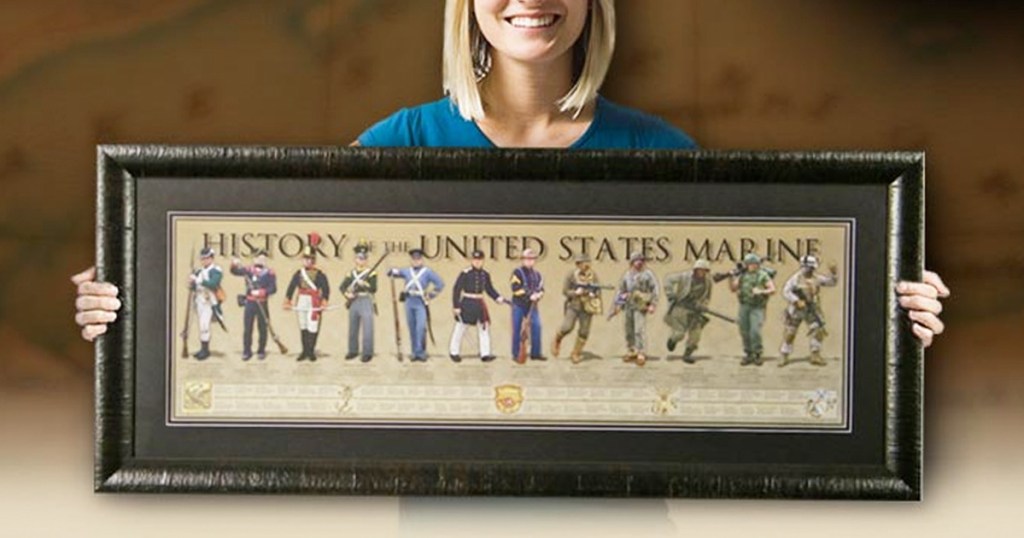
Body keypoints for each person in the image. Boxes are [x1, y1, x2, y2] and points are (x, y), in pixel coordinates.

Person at [73, 0, 949, 350]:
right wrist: (131, 297)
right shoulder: (393, 145)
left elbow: (735, 306)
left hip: (620, 497)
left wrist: (887, 307)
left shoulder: (662, 154)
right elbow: (323, 285)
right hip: (445, 500)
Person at [779, 255, 838, 367]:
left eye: (810, 268)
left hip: (812, 309)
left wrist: (833, 273)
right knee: (790, 332)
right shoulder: (795, 279)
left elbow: (831, 282)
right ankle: (784, 354)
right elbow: (786, 291)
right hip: (797, 309)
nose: (808, 270)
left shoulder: (816, 278)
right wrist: (796, 300)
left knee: (817, 330)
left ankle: (815, 354)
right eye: (806, 267)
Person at [387, 249, 445, 362]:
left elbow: (440, 284)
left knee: (420, 327)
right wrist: (390, 270)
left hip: (420, 301)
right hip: (409, 301)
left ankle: (421, 352)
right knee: (412, 327)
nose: (416, 261)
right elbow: (393, 272)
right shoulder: (407, 271)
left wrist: (431, 295)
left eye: (418, 259)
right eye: (414, 259)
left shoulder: (427, 272)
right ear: (411, 260)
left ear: (421, 260)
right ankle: (414, 352)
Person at [450, 250, 507, 362]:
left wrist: (497, 297)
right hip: (467, 303)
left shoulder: (485, 274)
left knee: (484, 328)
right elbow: (456, 289)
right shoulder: (465, 273)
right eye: (475, 260)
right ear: (472, 260)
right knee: (460, 328)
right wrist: (456, 306)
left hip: (480, 304)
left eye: (479, 260)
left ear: (483, 261)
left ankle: (485, 354)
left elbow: (489, 289)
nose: (477, 262)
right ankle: (454, 352)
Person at [552, 253, 607, 363]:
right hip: (574, 305)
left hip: (587, 307)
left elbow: (597, 289)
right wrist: (576, 292)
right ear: (578, 264)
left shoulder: (593, 275)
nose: (586, 265)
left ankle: (576, 352)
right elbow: (565, 291)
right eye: (583, 263)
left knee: (584, 331)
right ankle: (557, 340)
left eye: (588, 262)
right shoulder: (571, 275)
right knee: (567, 327)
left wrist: (593, 294)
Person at [284, 235, 331, 362]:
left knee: (313, 326)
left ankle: (311, 351)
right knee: (303, 325)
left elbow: (325, 288)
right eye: (306, 259)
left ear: (314, 260)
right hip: (302, 300)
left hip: (314, 300)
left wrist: (325, 300)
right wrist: (287, 300)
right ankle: (304, 350)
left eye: (310, 259)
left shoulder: (320, 274)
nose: (308, 261)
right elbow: (291, 287)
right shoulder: (299, 273)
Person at [663, 258, 715, 364]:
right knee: (679, 334)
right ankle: (672, 340)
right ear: (695, 269)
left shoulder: (708, 281)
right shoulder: (685, 276)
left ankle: (688, 354)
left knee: (696, 334)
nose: (702, 272)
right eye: (700, 270)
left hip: (695, 311)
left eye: (704, 270)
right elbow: (668, 279)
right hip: (680, 308)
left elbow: (707, 297)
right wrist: (670, 293)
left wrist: (703, 305)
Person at [729, 253, 776, 366]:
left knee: (755, 331)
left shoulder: (762, 275)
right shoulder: (742, 275)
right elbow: (733, 289)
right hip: (744, 306)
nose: (751, 266)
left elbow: (772, 289)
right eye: (749, 264)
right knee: (744, 331)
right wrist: (732, 277)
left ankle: (757, 354)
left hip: (757, 307)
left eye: (754, 264)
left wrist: (761, 291)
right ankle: (749, 354)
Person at [229, 252, 277, 361]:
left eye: (262, 258)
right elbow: (235, 271)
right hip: (250, 303)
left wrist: (262, 292)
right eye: (257, 258)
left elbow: (273, 288)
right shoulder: (248, 271)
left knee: (263, 328)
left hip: (262, 303)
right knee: (248, 328)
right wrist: (234, 263)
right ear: (254, 259)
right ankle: (247, 351)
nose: (259, 260)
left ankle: (261, 350)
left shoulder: (270, 273)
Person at [613, 252, 659, 366]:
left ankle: (641, 352)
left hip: (640, 305)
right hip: (629, 305)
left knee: (639, 330)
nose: (639, 263)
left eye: (641, 260)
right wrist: (618, 304)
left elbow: (655, 289)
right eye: (636, 260)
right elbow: (621, 289)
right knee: (629, 329)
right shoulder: (627, 275)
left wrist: (653, 304)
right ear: (632, 262)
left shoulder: (648, 274)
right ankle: (632, 350)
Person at [339, 242, 379, 363]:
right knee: (353, 327)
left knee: (367, 328)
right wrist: (348, 295)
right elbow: (342, 287)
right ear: (355, 259)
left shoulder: (371, 273)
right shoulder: (351, 273)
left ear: (366, 260)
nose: (361, 260)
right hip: (354, 300)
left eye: (363, 258)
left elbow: (373, 288)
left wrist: (365, 284)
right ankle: (353, 350)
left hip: (366, 299)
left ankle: (367, 353)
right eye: (359, 258)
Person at [188, 247, 225, 361]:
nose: (204, 261)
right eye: (202, 258)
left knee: (204, 325)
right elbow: (194, 287)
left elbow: (213, 284)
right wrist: (192, 283)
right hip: (199, 300)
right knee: (201, 324)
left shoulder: (216, 270)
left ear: (211, 258)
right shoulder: (199, 271)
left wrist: (198, 280)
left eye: (207, 258)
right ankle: (203, 349)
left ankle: (205, 350)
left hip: (210, 301)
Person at [510, 248, 545, 362]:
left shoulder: (538, 275)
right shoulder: (517, 273)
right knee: (517, 328)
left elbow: (541, 289)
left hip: (532, 306)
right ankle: (516, 354)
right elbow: (515, 289)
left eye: (532, 259)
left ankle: (536, 353)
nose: (530, 261)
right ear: (523, 260)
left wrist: (539, 294)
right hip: (518, 305)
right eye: (527, 259)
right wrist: (530, 295)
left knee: (537, 326)